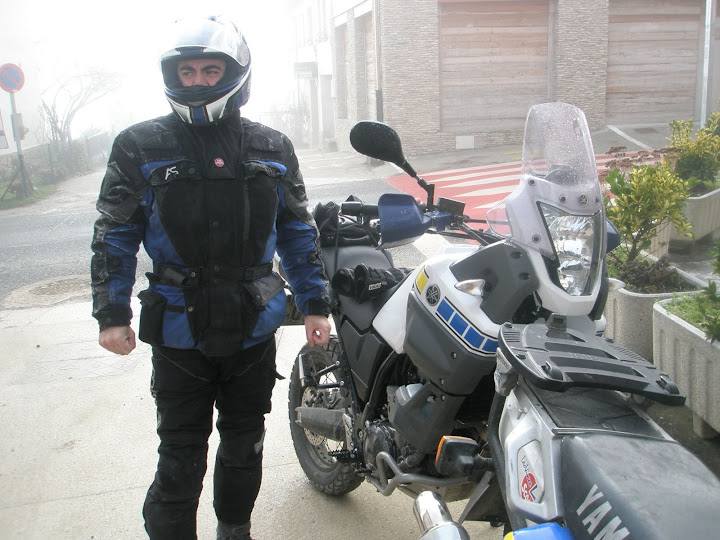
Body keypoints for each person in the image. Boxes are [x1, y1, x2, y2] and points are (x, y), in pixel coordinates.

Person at [90, 15, 331, 540]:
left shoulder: (273, 146)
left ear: (236, 73)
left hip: (254, 325)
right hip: (180, 329)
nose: (197, 80)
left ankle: (235, 529)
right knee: (181, 453)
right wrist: (112, 314)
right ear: (172, 75)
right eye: (188, 71)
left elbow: (296, 229)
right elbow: (114, 233)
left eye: (210, 70)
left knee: (245, 444)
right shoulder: (139, 145)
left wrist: (315, 303)